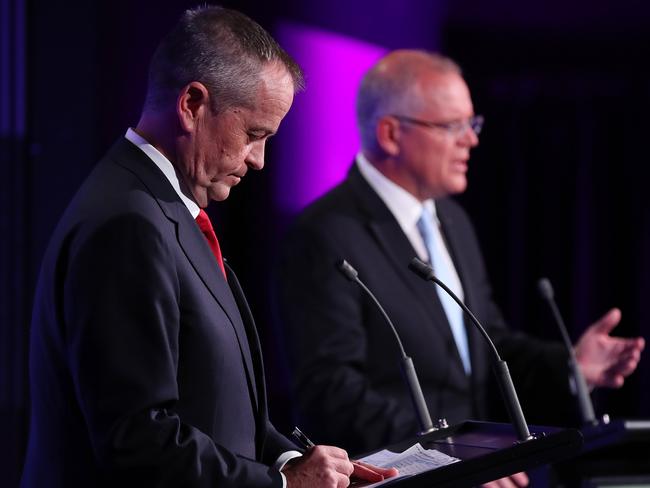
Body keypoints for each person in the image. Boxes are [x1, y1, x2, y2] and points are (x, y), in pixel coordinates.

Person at [21, 6, 396, 488]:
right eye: (253, 135)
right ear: (192, 104)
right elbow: (138, 438)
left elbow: (218, 408)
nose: (258, 160)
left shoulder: (164, 209)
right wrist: (285, 485)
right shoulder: (127, 223)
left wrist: (292, 462)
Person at [277, 50, 645, 458]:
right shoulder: (325, 233)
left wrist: (571, 367)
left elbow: (487, 343)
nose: (471, 139)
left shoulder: (452, 220)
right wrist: (451, 453)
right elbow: (333, 393)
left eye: (472, 123)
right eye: (453, 126)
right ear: (391, 134)